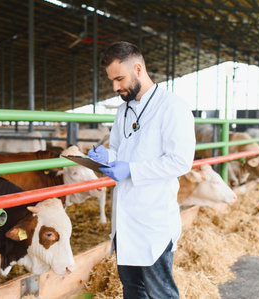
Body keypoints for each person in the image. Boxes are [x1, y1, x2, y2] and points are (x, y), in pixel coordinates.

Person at [88, 41, 195, 298]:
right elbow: (118, 151)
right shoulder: (122, 110)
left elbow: (181, 161)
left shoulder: (172, 107)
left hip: (153, 222)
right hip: (125, 220)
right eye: (111, 80)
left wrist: (132, 170)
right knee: (133, 289)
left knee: (160, 293)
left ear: (138, 68)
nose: (115, 87)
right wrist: (105, 158)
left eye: (119, 78)